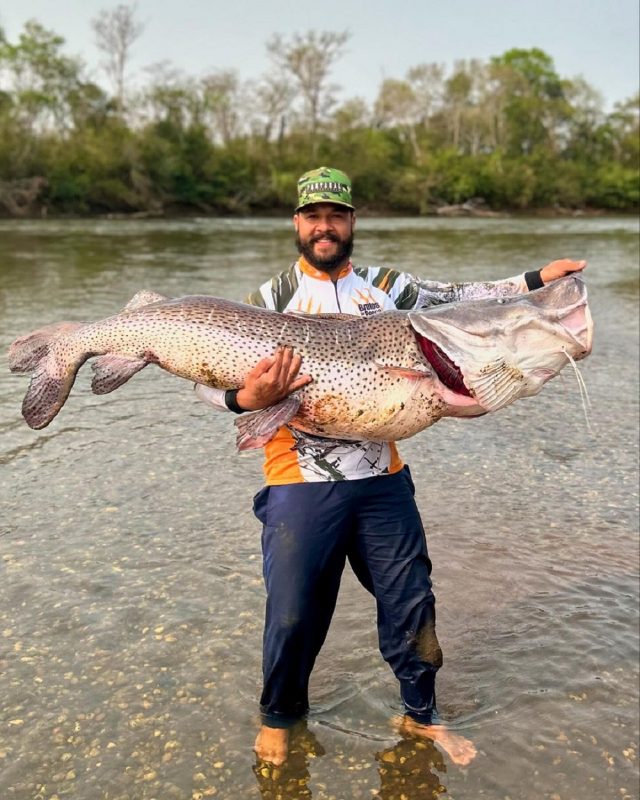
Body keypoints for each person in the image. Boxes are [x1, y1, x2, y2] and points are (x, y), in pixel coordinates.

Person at [202, 167, 587, 767]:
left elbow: (464, 298)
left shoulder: (387, 287)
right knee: (295, 612)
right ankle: (280, 717)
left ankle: (420, 716)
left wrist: (539, 279)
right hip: (299, 484)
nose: (323, 227)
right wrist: (241, 401)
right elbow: (205, 379)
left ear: (351, 222)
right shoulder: (265, 302)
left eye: (335, 216)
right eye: (313, 217)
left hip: (384, 482)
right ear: (297, 224)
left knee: (413, 606)